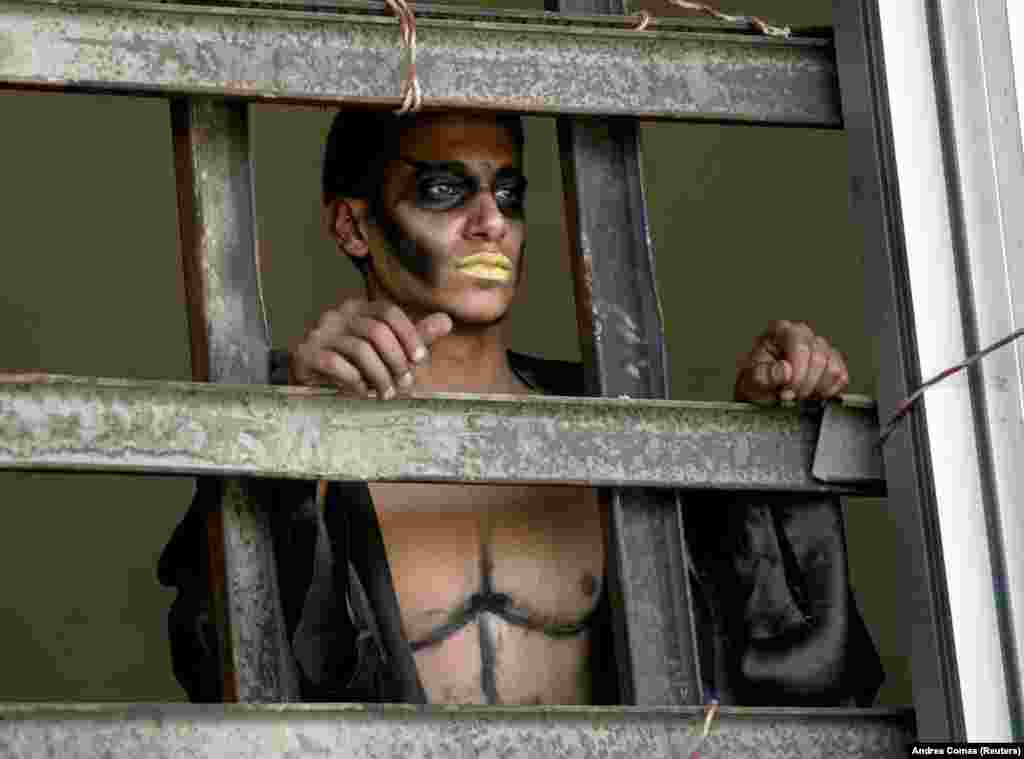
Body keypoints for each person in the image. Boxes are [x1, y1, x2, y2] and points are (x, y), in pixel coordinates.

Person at [159, 109, 883, 706]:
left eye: (508, 194)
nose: (490, 222)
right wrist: (296, 440)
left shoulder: (606, 427)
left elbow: (777, 654)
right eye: (445, 191)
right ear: (353, 226)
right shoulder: (299, 424)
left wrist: (768, 436)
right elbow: (220, 666)